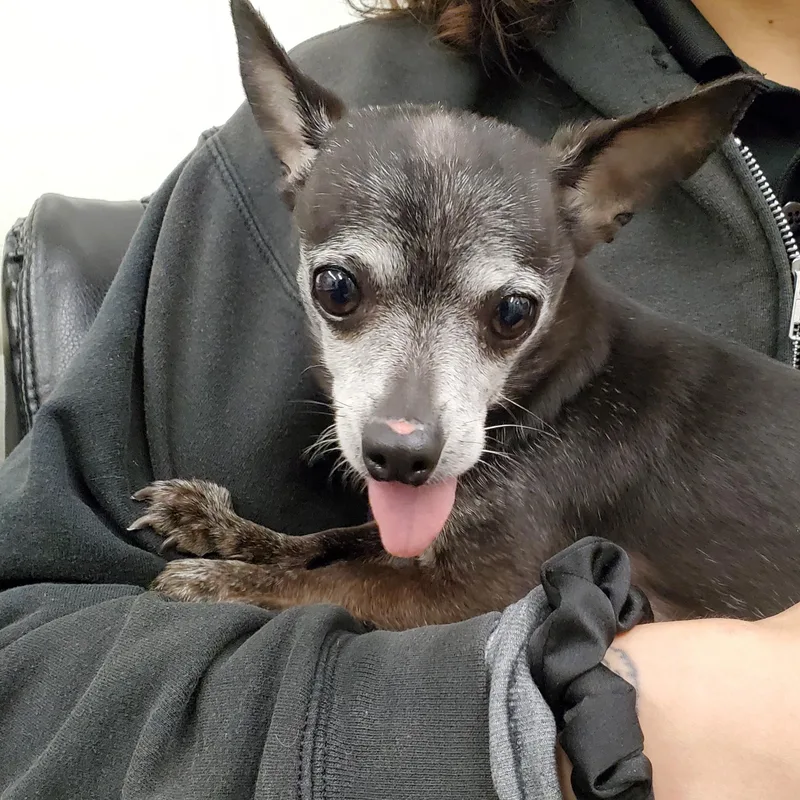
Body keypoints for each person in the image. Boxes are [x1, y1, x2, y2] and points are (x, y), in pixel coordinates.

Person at [0, 0, 798, 797]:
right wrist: (560, 728)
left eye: (504, 315)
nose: (408, 426)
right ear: (290, 156)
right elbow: (28, 669)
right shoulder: (323, 122)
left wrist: (265, 576)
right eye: (343, 291)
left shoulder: (631, 391)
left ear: (611, 197)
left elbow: (464, 573)